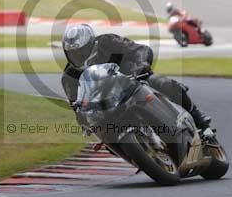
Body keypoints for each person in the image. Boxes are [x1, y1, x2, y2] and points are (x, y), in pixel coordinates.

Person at [60, 24, 212, 132]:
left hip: (134, 81)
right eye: (73, 53)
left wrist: (141, 67)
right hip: (106, 104)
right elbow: (76, 106)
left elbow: (140, 50)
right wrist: (85, 119)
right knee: (102, 131)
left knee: (163, 83)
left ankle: (199, 120)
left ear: (92, 43)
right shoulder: (69, 77)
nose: (78, 56)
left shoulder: (108, 41)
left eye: (81, 51)